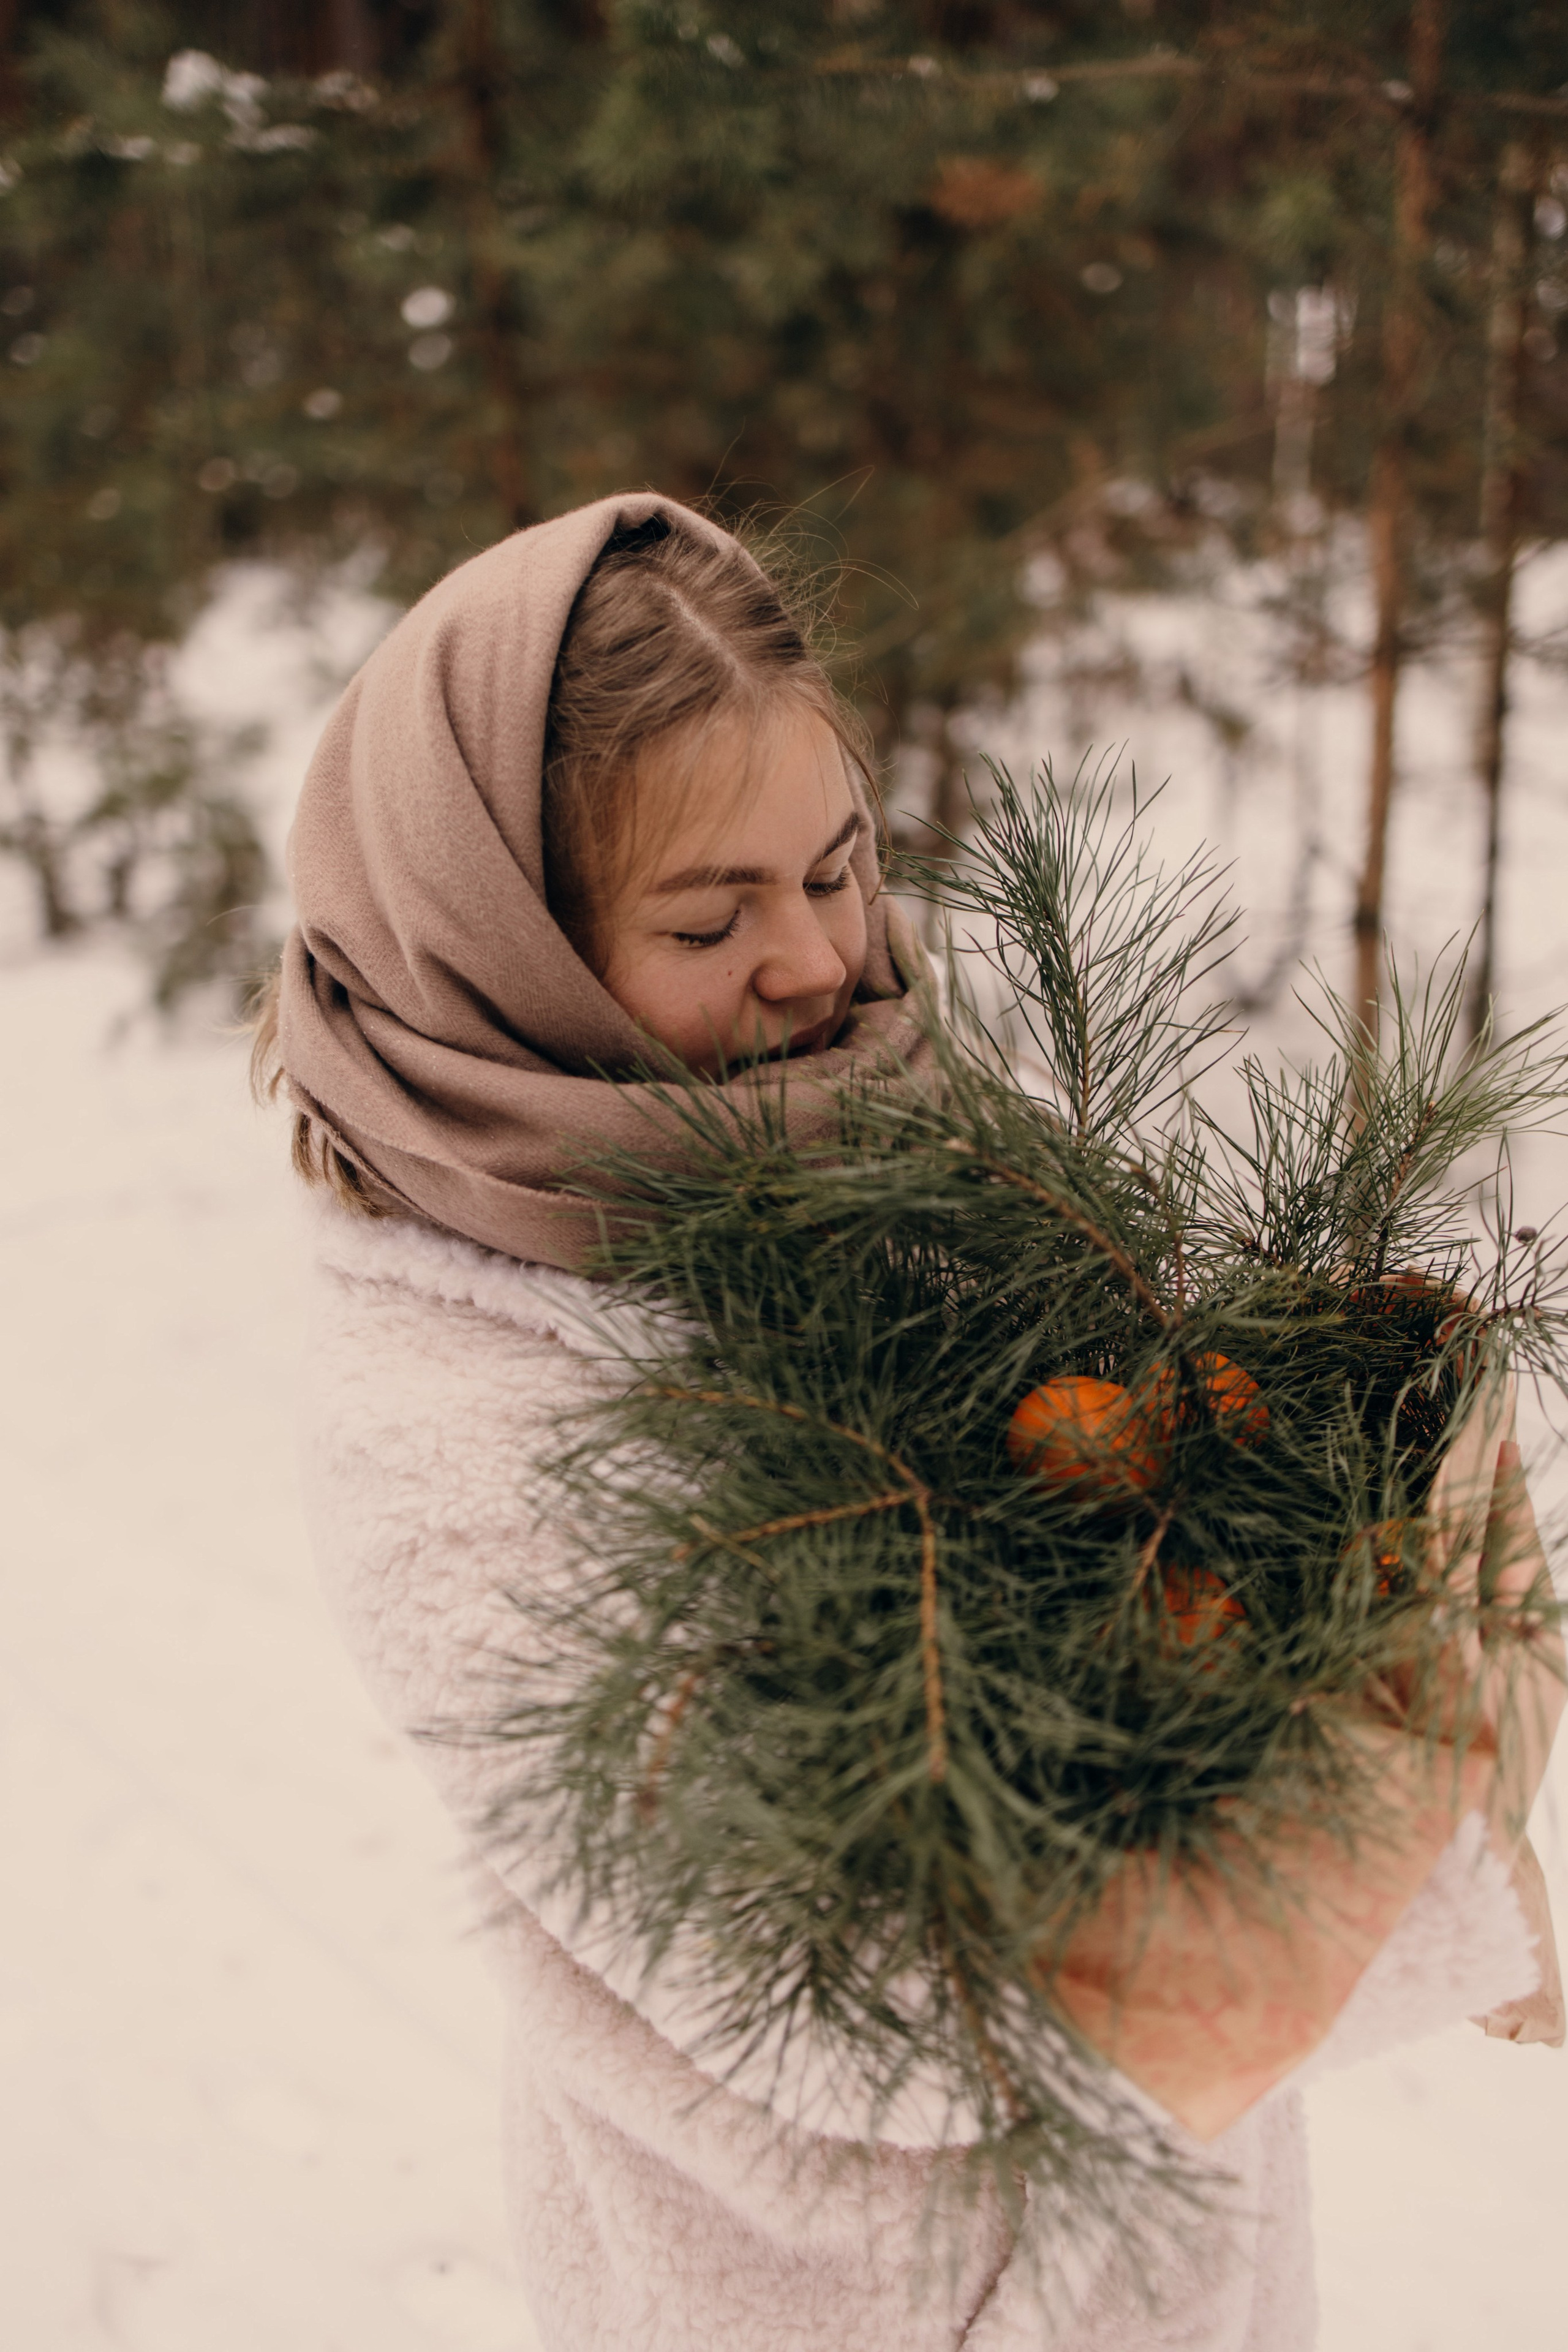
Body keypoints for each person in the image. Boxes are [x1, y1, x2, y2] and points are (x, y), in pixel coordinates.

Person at [254, 494, 1562, 2351]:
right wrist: (1420, 1827)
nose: (819, 962)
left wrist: (1326, 1476)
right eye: (710, 917)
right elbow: (881, 1985)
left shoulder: (896, 1119)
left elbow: (1127, 1534)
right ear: (504, 946)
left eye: (837, 866)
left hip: (1167, 2274)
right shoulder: (454, 1417)